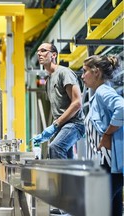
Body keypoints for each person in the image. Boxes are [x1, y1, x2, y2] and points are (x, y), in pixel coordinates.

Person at [82, 55, 123, 216]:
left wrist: (107, 134)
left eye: (85, 71)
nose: (82, 76)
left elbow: (122, 108)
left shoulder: (102, 92)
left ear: (96, 72)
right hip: (109, 166)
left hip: (107, 165)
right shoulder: (98, 95)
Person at [32, 42, 85, 159]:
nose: (39, 53)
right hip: (62, 126)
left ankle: (61, 178)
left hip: (74, 124)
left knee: (55, 147)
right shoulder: (48, 80)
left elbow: (77, 103)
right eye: (38, 51)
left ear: (54, 55)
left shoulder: (64, 73)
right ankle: (70, 177)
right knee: (65, 159)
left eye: (43, 50)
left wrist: (54, 125)